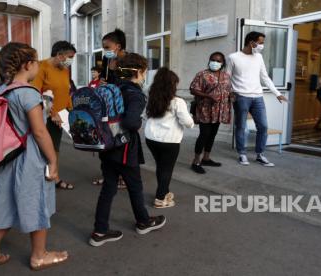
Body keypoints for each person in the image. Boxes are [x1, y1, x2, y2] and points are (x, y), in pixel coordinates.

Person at [0, 42, 68, 270]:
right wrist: (53, 161)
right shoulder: (27, 93)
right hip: (29, 159)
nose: (38, 65)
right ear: (28, 65)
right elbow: (39, 131)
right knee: (37, 203)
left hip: (6, 156)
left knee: (9, 202)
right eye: (36, 61)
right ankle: (39, 255)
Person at [89, 53, 166, 247]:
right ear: (139, 72)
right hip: (124, 147)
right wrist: (138, 123)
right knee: (135, 186)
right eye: (144, 71)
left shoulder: (112, 88)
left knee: (108, 188)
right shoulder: (135, 93)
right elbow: (131, 121)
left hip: (106, 145)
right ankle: (143, 221)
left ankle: (100, 231)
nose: (145, 75)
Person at [227, 31, 287, 167]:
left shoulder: (259, 57)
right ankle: (242, 154)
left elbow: (265, 77)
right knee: (241, 126)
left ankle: (260, 154)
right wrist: (230, 92)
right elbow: (227, 77)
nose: (262, 46)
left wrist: (277, 93)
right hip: (241, 96)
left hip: (258, 97)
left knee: (263, 126)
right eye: (260, 43)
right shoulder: (233, 57)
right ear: (251, 42)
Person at [145, 67, 194, 208]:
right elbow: (188, 123)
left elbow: (145, 115)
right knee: (166, 169)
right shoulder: (177, 102)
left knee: (161, 167)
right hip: (169, 141)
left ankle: (165, 192)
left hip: (151, 138)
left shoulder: (152, 99)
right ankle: (160, 199)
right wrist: (191, 120)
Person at [32, 41, 76, 190]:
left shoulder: (64, 69)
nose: (71, 61)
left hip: (62, 116)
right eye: (69, 57)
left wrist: (71, 110)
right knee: (45, 149)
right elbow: (35, 94)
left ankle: (52, 177)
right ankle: (48, 180)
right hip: (47, 117)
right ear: (59, 55)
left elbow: (65, 91)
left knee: (55, 148)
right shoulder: (41, 67)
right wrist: (52, 113)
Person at [92, 28, 128, 188]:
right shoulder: (106, 61)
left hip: (122, 108)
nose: (104, 51)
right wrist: (102, 84)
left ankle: (121, 177)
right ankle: (108, 176)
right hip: (108, 108)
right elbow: (104, 80)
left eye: (107, 47)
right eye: (103, 47)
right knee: (106, 141)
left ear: (118, 46)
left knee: (120, 143)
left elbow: (131, 85)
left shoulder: (128, 62)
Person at [190, 52, 233, 174]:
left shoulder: (226, 76)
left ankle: (206, 158)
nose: (215, 62)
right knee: (204, 135)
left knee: (212, 135)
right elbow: (193, 89)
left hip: (220, 111)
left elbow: (228, 90)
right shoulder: (202, 74)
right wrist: (208, 96)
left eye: (218, 61)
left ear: (222, 63)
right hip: (205, 110)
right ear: (209, 61)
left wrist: (232, 96)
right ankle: (196, 161)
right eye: (212, 60)